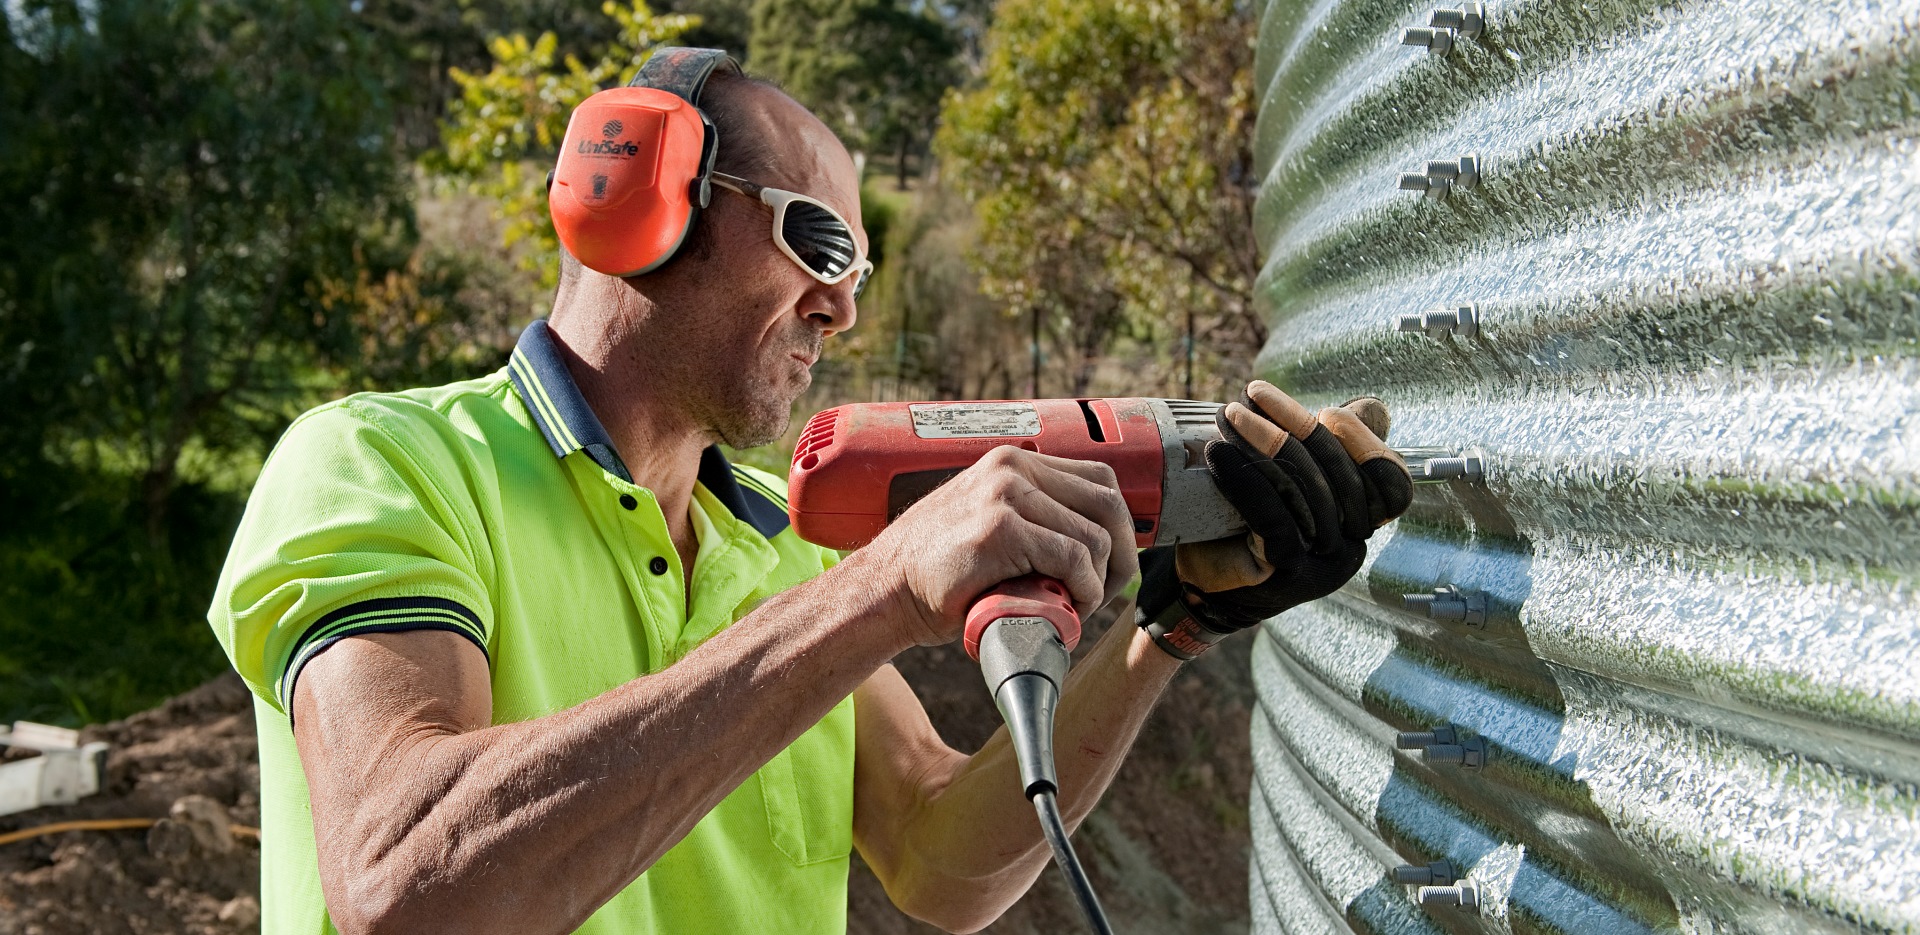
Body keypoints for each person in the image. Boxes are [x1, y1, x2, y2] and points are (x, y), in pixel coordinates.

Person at [206, 49, 1412, 935]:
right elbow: (406, 885)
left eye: (861, 269)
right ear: (642, 201)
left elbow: (942, 856)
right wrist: (883, 585)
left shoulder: (776, 555)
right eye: (817, 244)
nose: (841, 304)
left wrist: (1168, 628)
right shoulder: (384, 462)